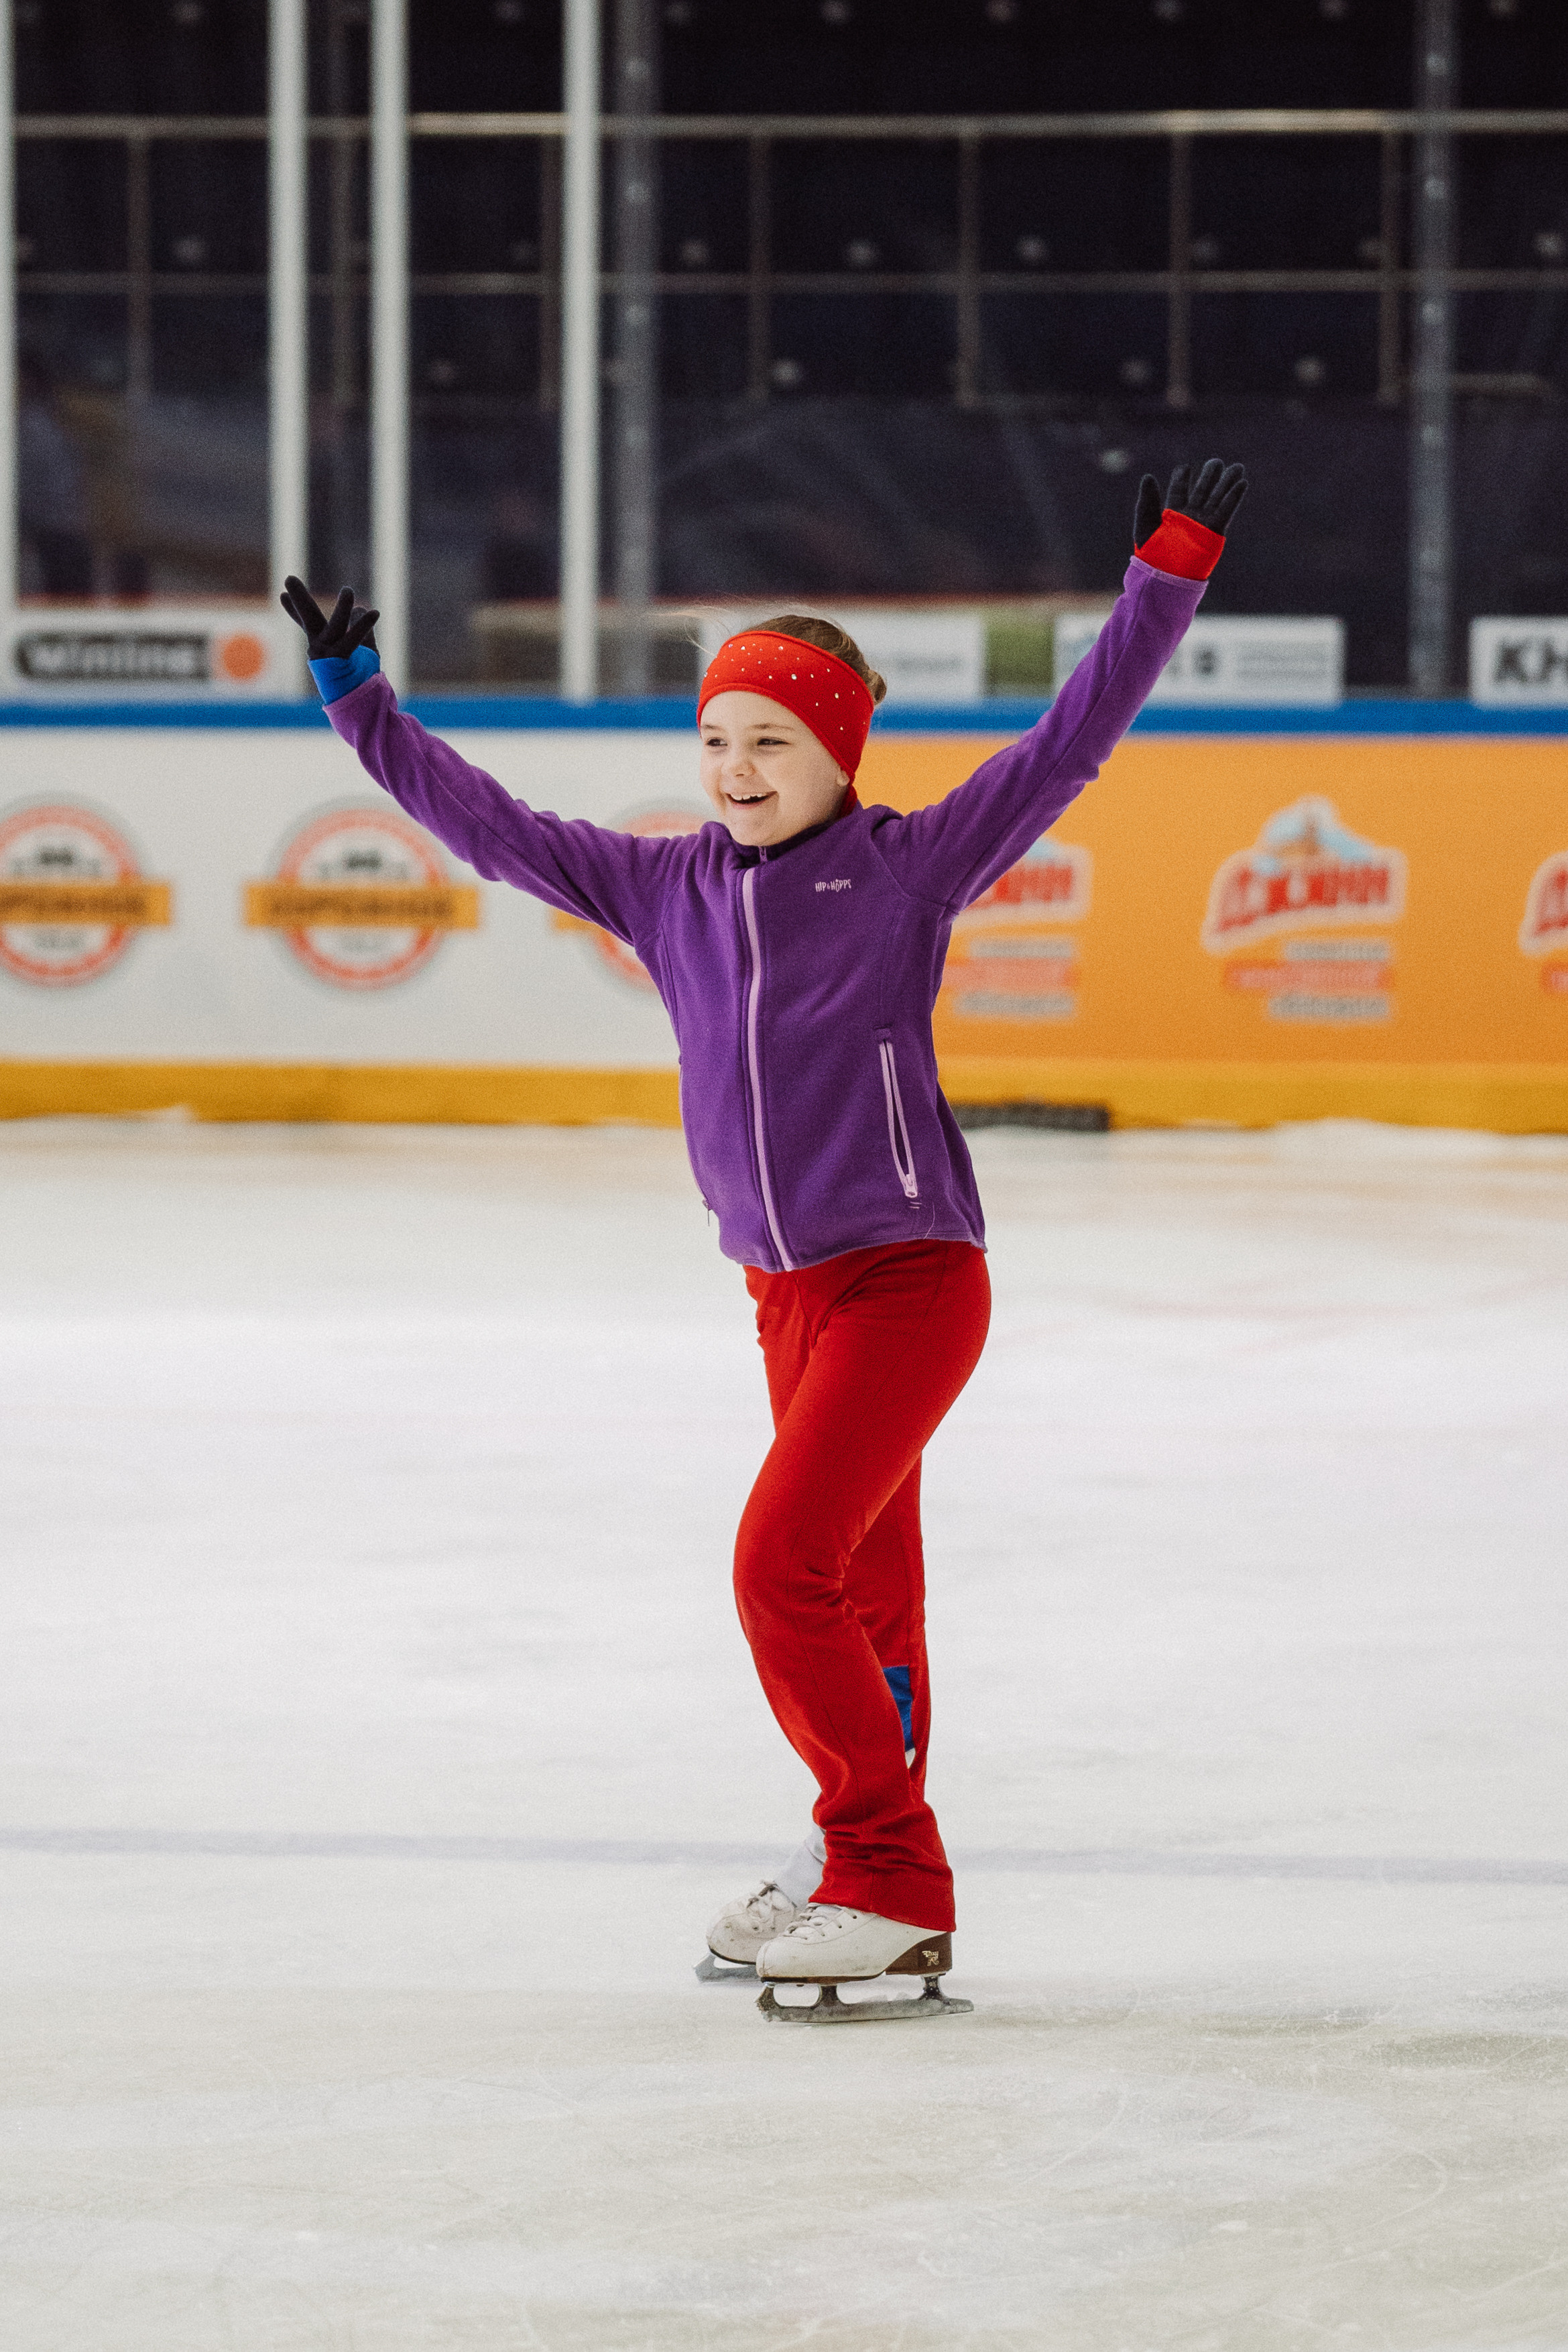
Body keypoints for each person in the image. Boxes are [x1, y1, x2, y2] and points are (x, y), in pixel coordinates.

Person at [279, 456, 1247, 2007]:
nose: (734, 767)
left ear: (839, 750)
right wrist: (359, 704)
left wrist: (1167, 577)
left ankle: (890, 1869)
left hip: (910, 1279)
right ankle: (859, 1860)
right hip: (782, 1296)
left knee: (779, 1565)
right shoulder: (664, 885)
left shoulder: (907, 866)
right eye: (718, 736)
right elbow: (489, 823)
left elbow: (1069, 745)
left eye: (772, 740)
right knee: (867, 1595)